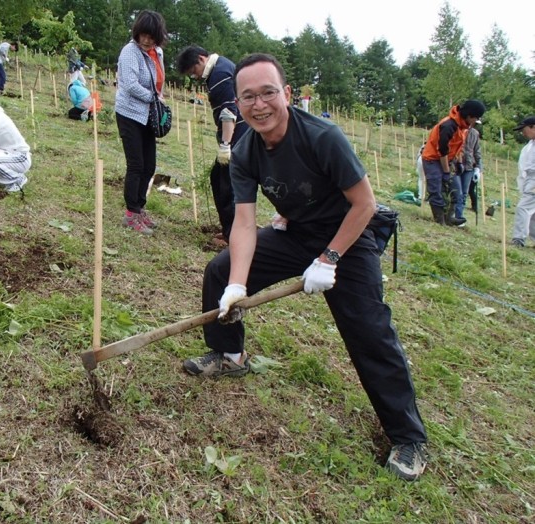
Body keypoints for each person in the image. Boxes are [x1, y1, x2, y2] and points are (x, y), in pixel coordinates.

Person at [182, 53, 428, 481]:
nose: (259, 105)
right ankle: (230, 354)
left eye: (268, 93)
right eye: (248, 97)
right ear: (237, 103)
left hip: (348, 236)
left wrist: (330, 258)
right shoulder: (244, 150)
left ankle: (408, 437)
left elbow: (365, 204)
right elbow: (243, 222)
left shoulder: (322, 136)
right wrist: (238, 285)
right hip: (295, 233)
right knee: (220, 271)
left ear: (287, 94)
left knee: (368, 330)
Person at [175, 46, 249, 245]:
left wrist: (225, 145)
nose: (194, 76)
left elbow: (228, 112)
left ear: (201, 59)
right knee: (220, 179)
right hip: (241, 135)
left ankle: (233, 236)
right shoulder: (222, 67)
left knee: (226, 184)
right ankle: (230, 231)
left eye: (193, 71)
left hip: (238, 138)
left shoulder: (219, 75)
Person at [114, 10, 168, 235]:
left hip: (148, 115)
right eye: (143, 35)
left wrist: (158, 100)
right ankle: (130, 214)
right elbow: (130, 85)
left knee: (150, 165)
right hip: (129, 113)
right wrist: (154, 98)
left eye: (151, 36)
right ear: (137, 33)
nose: (146, 40)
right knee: (136, 164)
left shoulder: (158, 53)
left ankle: (140, 208)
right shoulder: (129, 52)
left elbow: (159, 81)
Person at [421, 100, 485, 226]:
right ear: (469, 115)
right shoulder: (448, 125)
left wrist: (459, 163)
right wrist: (445, 172)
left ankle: (449, 217)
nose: (476, 121)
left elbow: (458, 147)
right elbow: (442, 150)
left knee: (456, 191)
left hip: (449, 160)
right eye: (476, 118)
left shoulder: (464, 127)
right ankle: (440, 220)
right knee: (437, 189)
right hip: (433, 159)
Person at [511, 116, 535, 247]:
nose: (523, 133)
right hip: (530, 179)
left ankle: (519, 238)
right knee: (532, 213)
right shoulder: (530, 145)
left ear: (533, 127)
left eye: (524, 129)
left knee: (523, 208)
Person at [459, 124, 483, 217]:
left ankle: (459, 215)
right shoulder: (458, 129)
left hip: (469, 166)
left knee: (466, 191)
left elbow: (477, 151)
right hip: (457, 164)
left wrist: (478, 168)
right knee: (456, 190)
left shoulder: (475, 133)